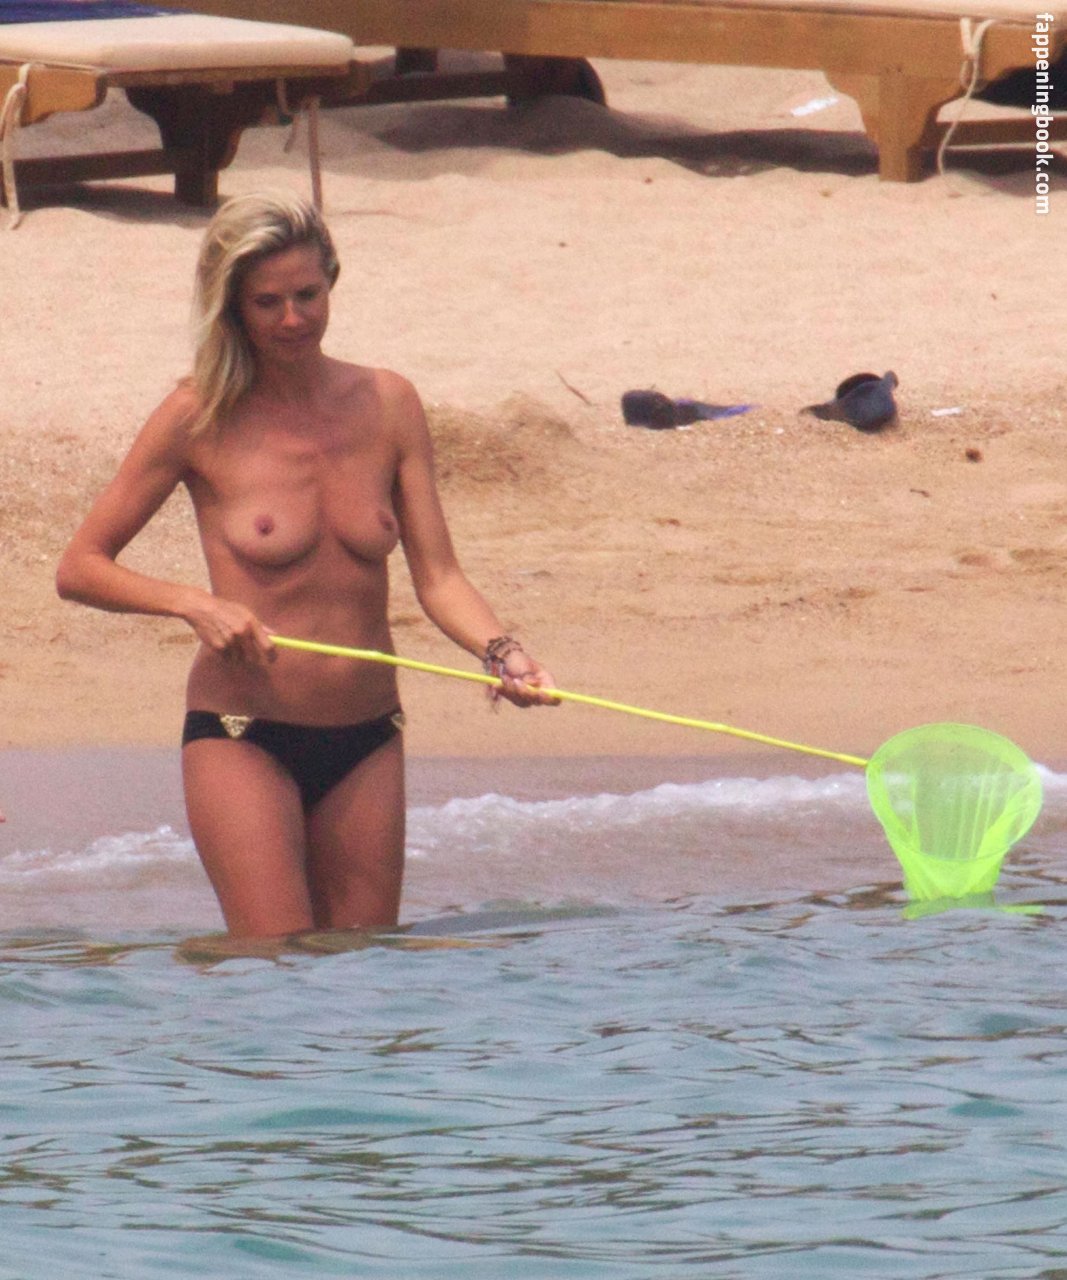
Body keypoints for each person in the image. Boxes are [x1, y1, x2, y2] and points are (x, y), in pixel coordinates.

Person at [57, 191, 556, 940]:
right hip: (243, 733)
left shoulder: (388, 402)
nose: (292, 319)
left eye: (307, 295)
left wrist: (501, 652)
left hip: (368, 735)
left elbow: (439, 577)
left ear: (331, 283)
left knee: (361, 972)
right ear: (232, 307)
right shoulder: (198, 415)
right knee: (273, 969)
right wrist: (195, 604)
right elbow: (80, 567)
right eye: (267, 302)